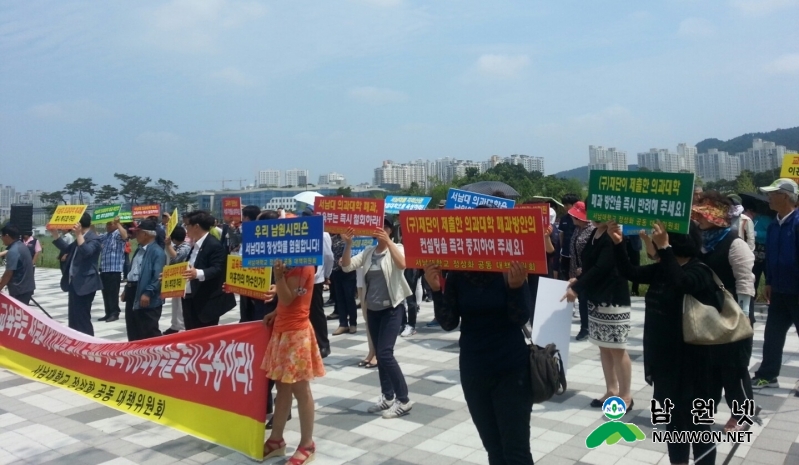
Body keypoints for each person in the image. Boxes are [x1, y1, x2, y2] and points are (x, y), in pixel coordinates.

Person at [610, 220, 718, 465]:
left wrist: (665, 249)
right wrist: (618, 243)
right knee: (674, 423)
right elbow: (631, 272)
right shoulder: (663, 268)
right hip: (666, 362)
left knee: (698, 424)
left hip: (695, 364)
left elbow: (683, 283)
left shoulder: (700, 270)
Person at [424, 258, 533, 464]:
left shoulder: (509, 266)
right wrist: (436, 290)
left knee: (516, 451)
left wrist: (516, 286)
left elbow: (521, 318)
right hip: (474, 369)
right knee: (494, 449)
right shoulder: (458, 272)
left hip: (511, 368)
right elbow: (449, 322)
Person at [692, 192, 757, 432]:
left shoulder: (734, 243)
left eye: (701, 214)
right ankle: (705, 411)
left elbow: (745, 281)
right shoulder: (699, 242)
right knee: (708, 367)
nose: (697, 218)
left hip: (733, 316)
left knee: (734, 368)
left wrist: (742, 315)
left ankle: (741, 415)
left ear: (716, 217)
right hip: (706, 315)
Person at [340, 218, 414, 418]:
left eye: (384, 228)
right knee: (379, 355)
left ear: (390, 230)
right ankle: (387, 396)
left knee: (385, 353)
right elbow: (346, 266)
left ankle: (404, 399)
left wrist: (388, 242)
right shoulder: (368, 252)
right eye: (377, 228)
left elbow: (403, 264)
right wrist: (348, 244)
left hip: (392, 308)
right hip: (373, 310)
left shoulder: (397, 247)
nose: (380, 231)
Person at [261, 259, 325, 464]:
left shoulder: (304, 266)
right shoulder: (291, 263)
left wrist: (278, 276)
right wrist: (275, 312)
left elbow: (289, 298)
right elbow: (287, 301)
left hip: (296, 333)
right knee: (282, 387)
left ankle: (307, 444)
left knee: (300, 388)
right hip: (283, 329)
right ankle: (276, 439)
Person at [564, 219, 632, 409]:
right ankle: (611, 390)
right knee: (604, 346)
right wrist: (578, 278)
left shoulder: (613, 233)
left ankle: (626, 395)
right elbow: (590, 264)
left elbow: (603, 267)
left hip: (612, 298)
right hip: (596, 297)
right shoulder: (596, 232)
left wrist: (578, 287)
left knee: (617, 347)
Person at [752, 178, 799, 390]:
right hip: (779, 290)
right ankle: (768, 374)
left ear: (786, 197)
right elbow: (771, 257)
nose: (769, 198)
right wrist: (769, 282)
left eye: (773, 193)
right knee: (772, 334)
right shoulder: (774, 225)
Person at [181, 210, 236, 329]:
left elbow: (218, 269)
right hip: (190, 297)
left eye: (187, 225)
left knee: (203, 339)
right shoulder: (195, 245)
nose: (186, 229)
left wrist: (198, 273)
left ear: (196, 226)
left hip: (205, 301)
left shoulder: (213, 245)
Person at [51, 213, 103, 335]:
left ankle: (88, 343)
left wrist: (79, 235)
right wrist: (55, 235)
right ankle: (76, 341)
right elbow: (67, 249)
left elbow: (87, 252)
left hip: (86, 284)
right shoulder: (80, 237)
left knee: (82, 318)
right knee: (73, 317)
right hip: (74, 283)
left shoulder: (94, 238)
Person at [122, 220, 166, 341]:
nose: (136, 235)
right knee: (133, 327)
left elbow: (158, 276)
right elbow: (133, 272)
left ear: (146, 234)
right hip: (133, 291)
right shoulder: (139, 250)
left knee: (148, 329)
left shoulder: (157, 252)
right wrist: (127, 289)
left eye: (138, 232)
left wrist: (148, 292)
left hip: (146, 294)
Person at [303, 206, 334, 357]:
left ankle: (323, 344)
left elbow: (328, 256)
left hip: (315, 279)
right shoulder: (300, 232)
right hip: (303, 278)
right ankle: (312, 343)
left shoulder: (323, 234)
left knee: (316, 312)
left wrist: (327, 275)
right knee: (307, 312)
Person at [567, 201, 595, 341]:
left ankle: (586, 327)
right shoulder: (577, 229)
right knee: (582, 298)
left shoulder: (591, 230)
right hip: (575, 270)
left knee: (585, 299)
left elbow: (592, 253)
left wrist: (583, 269)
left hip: (586, 271)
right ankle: (586, 326)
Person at [97, 217, 128, 323]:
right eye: (107, 224)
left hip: (114, 269)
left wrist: (118, 224)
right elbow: (95, 236)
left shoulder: (117, 234)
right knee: (105, 293)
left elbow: (125, 236)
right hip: (104, 269)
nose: (108, 226)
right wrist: (92, 224)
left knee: (113, 293)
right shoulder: (105, 236)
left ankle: (114, 313)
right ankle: (108, 312)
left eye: (110, 224)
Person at [744, 198, 769, 320]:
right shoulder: (746, 220)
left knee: (769, 278)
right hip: (753, 255)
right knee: (753, 279)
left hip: (765, 253)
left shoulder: (765, 220)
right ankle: (751, 303)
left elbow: (770, 234)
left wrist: (757, 234)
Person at [330, 230, 359, 336]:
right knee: (340, 298)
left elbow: (357, 252)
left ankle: (353, 323)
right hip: (336, 271)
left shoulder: (352, 236)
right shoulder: (333, 238)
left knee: (349, 298)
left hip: (349, 271)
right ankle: (343, 324)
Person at [164, 226, 191, 335]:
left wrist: (168, 245)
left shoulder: (186, 247)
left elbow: (176, 257)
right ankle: (175, 325)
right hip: (175, 278)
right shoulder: (176, 246)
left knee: (180, 304)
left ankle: (181, 326)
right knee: (175, 303)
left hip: (184, 280)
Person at [0, 224, 36, 305]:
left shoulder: (13, 251)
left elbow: (8, 274)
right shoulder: (21, 245)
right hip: (26, 288)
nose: (1, 239)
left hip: (19, 290)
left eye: (1, 236)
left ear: (7, 236)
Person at [238, 205, 262, 323]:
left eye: (243, 216)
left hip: (255, 276)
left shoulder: (253, 233)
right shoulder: (247, 230)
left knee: (254, 310)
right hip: (247, 276)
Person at [558, 194, 580, 281]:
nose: (565, 207)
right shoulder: (563, 219)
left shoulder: (580, 219)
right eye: (564, 205)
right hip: (565, 253)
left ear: (574, 205)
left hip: (577, 255)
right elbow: (561, 235)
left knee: (576, 276)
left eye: (567, 205)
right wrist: (561, 249)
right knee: (565, 275)